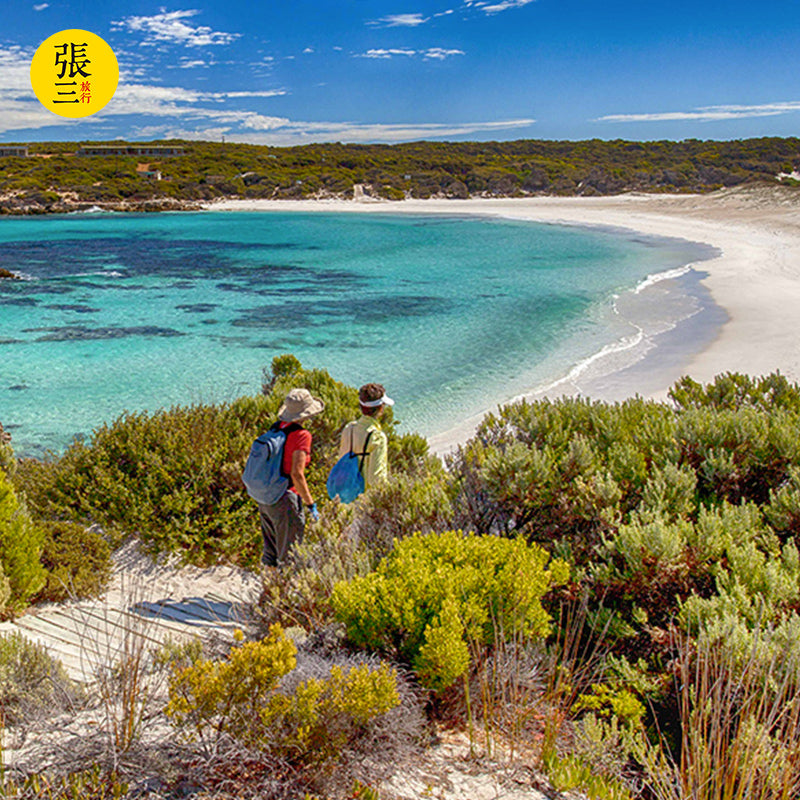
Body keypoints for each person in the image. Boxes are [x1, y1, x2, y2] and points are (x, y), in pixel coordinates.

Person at [258, 387, 324, 568]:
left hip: (266, 497)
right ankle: (283, 593)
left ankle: (269, 592)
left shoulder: (275, 429)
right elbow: (297, 474)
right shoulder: (302, 435)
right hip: (285, 498)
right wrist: (310, 504)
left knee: (270, 551)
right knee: (291, 555)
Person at [338, 383, 394, 490]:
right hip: (365, 500)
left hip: (347, 494)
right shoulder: (377, 437)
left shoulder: (349, 428)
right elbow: (376, 479)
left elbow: (342, 461)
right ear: (380, 409)